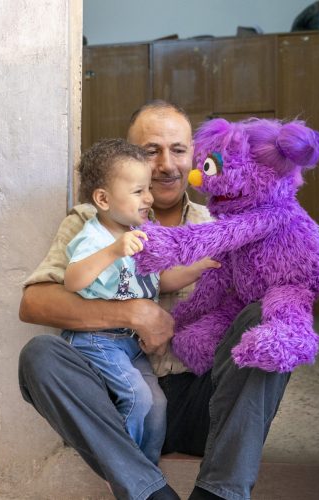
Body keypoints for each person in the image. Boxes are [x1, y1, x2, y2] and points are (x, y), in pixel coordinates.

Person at [18, 100, 291, 500]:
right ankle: (150, 494)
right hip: (119, 402)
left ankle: (220, 493)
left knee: (274, 320)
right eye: (151, 151)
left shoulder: (219, 225)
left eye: (178, 150)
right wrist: (133, 311)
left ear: (194, 156)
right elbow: (35, 303)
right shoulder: (90, 222)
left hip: (206, 400)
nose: (166, 165)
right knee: (39, 356)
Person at [63, 138, 219, 466]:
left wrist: (202, 265)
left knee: (156, 405)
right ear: (103, 199)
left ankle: (145, 472)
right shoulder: (94, 236)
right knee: (137, 398)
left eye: (147, 188)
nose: (149, 197)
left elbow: (162, 281)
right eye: (139, 191)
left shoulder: (141, 231)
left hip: (131, 345)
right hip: (98, 342)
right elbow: (72, 280)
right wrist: (114, 251)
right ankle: (123, 469)